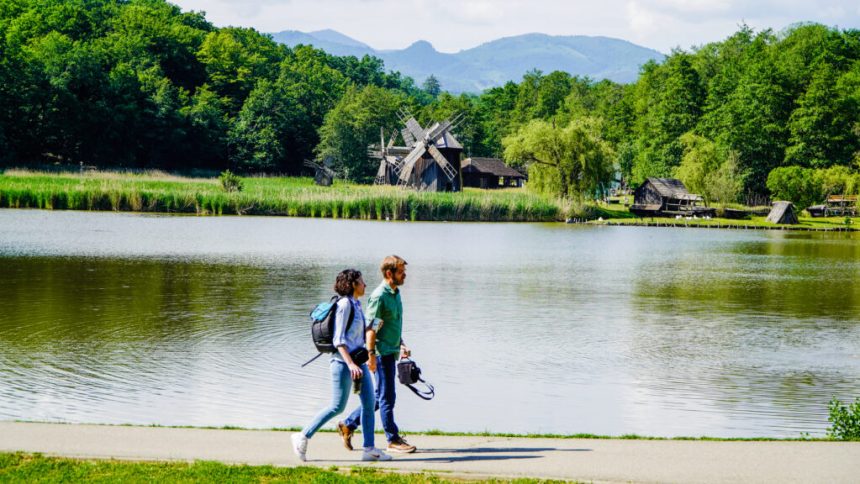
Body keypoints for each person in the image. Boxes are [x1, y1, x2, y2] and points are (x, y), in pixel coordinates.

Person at [291, 269, 391, 462]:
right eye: (361, 281)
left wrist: (374, 325)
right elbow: (338, 340)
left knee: (369, 403)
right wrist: (351, 364)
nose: (365, 284)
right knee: (337, 406)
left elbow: (357, 335)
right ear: (353, 284)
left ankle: (369, 448)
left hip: (358, 363)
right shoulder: (344, 304)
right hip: (342, 364)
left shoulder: (357, 304)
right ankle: (302, 436)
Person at [338, 255, 416, 454]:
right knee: (387, 397)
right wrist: (371, 355)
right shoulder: (379, 296)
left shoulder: (395, 293)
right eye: (401, 272)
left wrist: (401, 344)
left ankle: (348, 424)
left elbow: (390, 325)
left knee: (380, 396)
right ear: (389, 273)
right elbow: (371, 330)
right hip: (381, 354)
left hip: (391, 351)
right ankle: (392, 439)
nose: (404, 275)